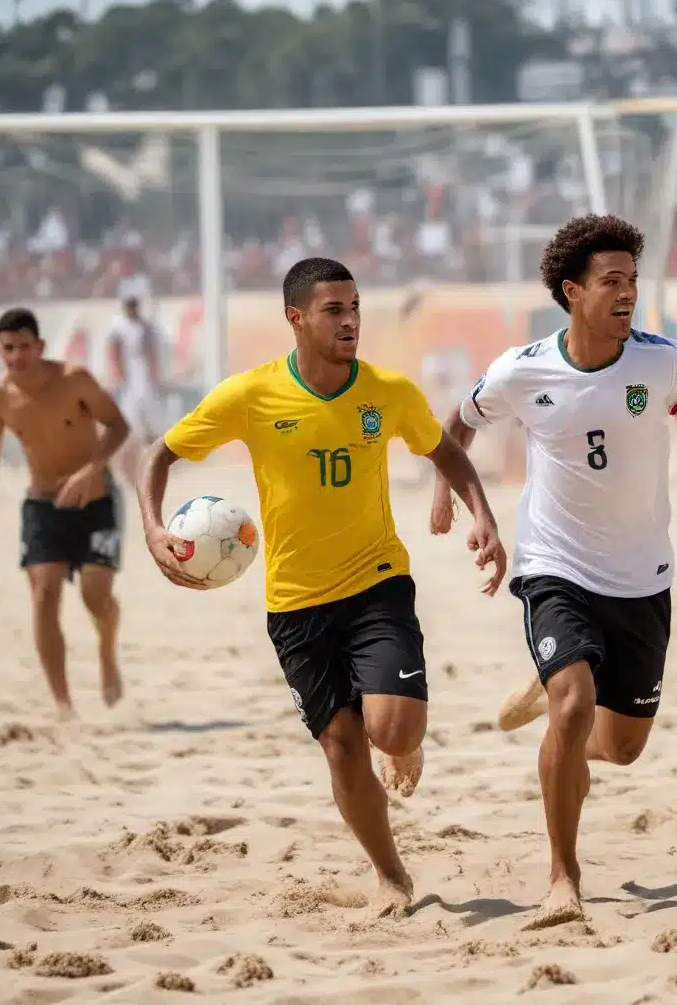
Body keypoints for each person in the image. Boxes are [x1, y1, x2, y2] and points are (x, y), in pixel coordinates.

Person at [136, 257, 506, 917]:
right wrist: (153, 528)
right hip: (295, 603)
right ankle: (391, 873)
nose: (350, 321)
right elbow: (158, 455)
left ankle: (404, 739)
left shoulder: (388, 392)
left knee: (389, 732)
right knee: (340, 745)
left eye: (355, 307)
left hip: (376, 583)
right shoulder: (249, 395)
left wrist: (480, 515)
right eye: (334, 310)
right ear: (296, 318)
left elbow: (443, 450)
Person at [429, 215, 677, 929]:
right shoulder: (522, 369)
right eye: (612, 282)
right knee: (576, 703)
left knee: (621, 747)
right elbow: (456, 427)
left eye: (633, 281)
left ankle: (548, 700)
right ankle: (563, 878)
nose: (628, 294)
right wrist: (461, 504)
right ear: (572, 291)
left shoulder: (662, 361)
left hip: (643, 576)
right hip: (556, 566)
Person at [0, 308, 129, 720]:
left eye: (24, 347)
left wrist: (90, 469)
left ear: (39, 346)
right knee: (45, 593)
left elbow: (118, 425)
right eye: (8, 349)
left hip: (96, 502)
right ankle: (63, 706)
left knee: (95, 596)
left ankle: (106, 649)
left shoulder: (73, 378)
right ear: (0, 350)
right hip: (42, 504)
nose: (16, 356)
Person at [108, 294, 166, 485]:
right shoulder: (118, 327)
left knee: (152, 424)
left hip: (144, 380)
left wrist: (155, 374)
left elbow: (151, 352)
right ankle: (127, 468)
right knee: (128, 426)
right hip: (128, 382)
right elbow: (114, 352)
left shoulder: (145, 326)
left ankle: (155, 463)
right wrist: (119, 376)